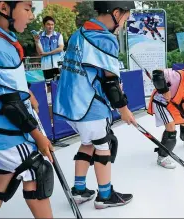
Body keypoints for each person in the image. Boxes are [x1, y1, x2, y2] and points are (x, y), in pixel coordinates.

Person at [53, 1, 136, 209]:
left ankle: (79, 190)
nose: (126, 21)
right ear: (116, 13)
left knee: (87, 142)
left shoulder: (79, 33)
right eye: (126, 16)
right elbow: (110, 82)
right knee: (103, 147)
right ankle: (105, 195)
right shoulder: (104, 39)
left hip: (70, 106)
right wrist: (123, 109)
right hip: (90, 104)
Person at [0, 1, 54, 218]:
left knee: (3, 175)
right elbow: (10, 104)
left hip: (1, 129)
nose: (31, 17)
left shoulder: (0, 39)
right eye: (27, 9)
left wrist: (28, 92)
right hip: (3, 131)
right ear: (4, 8)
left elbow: (7, 81)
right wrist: (38, 136)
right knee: (36, 169)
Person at [33, 16, 64, 87]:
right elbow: (40, 52)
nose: (50, 26)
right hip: (46, 66)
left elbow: (60, 48)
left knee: (60, 85)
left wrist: (47, 53)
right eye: (48, 24)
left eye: (52, 24)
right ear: (44, 25)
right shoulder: (40, 37)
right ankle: (51, 98)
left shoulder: (58, 35)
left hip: (58, 65)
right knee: (49, 86)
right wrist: (37, 42)